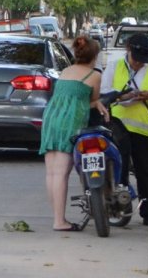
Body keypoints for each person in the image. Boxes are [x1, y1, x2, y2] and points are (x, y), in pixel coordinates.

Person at [100, 33, 148, 227]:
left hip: (143, 128)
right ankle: (117, 209)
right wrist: (121, 97)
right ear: (128, 50)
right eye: (136, 60)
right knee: (118, 170)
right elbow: (104, 92)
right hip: (118, 125)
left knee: (145, 171)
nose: (139, 64)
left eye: (142, 62)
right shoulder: (114, 67)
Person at [40, 36, 108, 231]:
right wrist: (99, 104)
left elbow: (71, 97)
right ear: (94, 56)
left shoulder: (65, 71)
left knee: (51, 173)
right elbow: (91, 100)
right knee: (62, 174)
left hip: (51, 118)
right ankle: (59, 222)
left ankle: (57, 217)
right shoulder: (94, 75)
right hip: (70, 121)